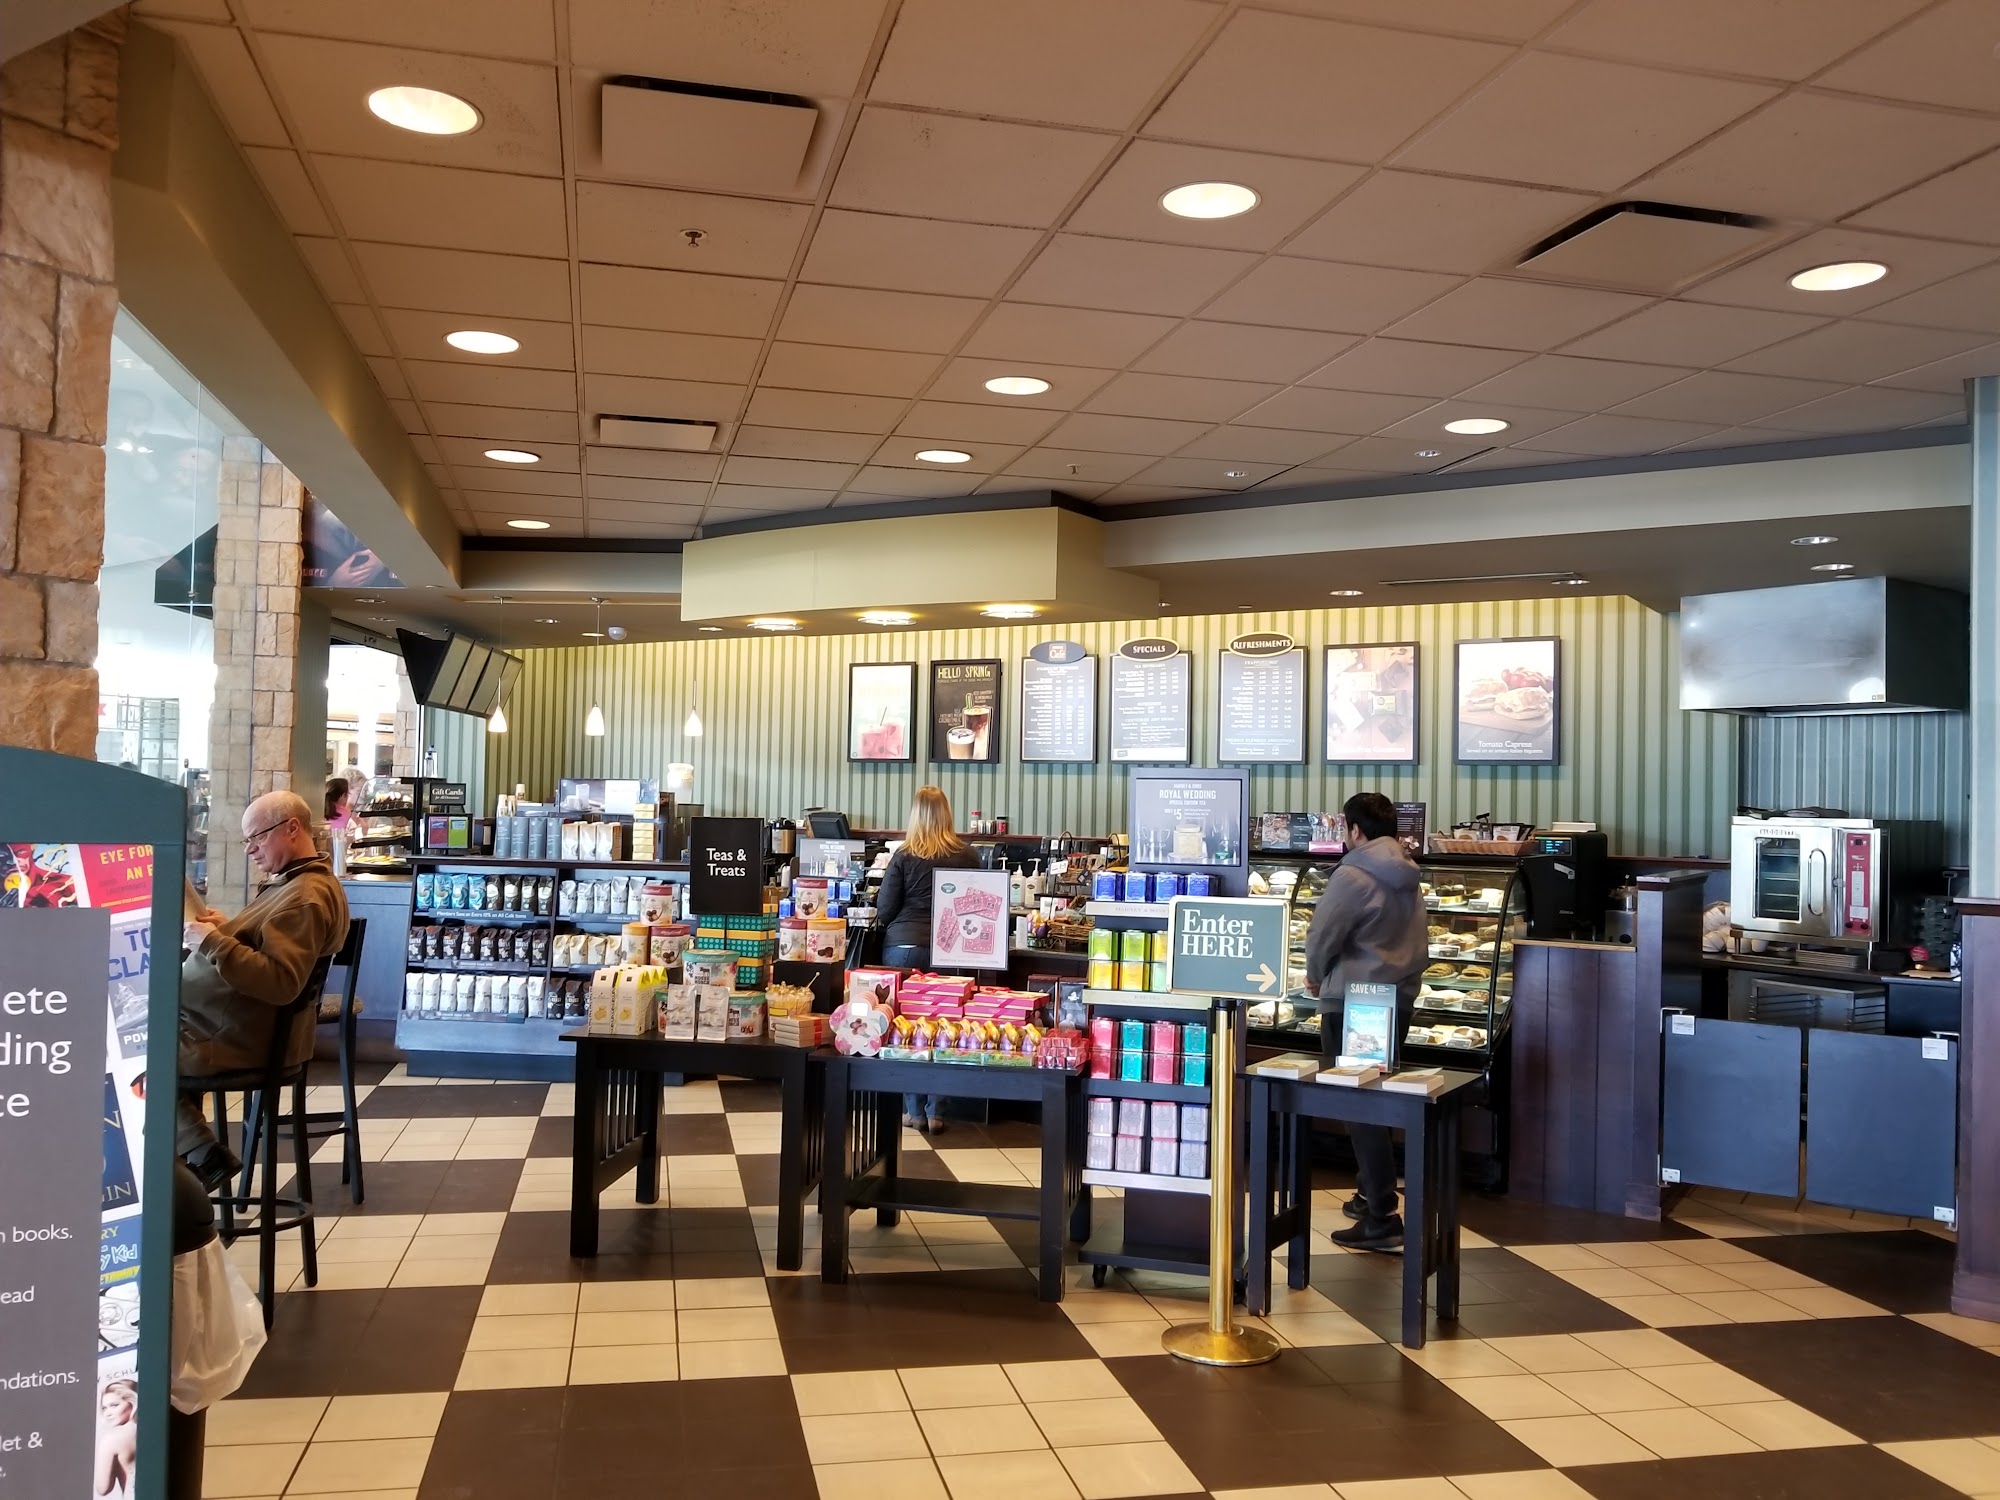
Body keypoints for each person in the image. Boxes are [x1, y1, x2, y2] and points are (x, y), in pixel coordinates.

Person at [177, 790, 351, 1192]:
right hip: (227, 1029)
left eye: (257, 837)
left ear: (292, 828)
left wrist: (212, 943)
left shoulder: (304, 897)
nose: (250, 849)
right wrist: (224, 931)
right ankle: (190, 1160)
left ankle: (199, 1156)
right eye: (246, 840)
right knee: (132, 1041)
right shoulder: (298, 884)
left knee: (129, 1052)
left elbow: (281, 982)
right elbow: (266, 948)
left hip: (234, 1040)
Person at [1304, 791, 1428, 1252]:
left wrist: (1315, 975)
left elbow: (1323, 934)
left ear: (1354, 829)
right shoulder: (1407, 871)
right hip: (1396, 998)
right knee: (1376, 1100)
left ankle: (1381, 1216)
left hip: (1356, 1004)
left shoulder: (1353, 873)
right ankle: (1367, 1195)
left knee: (1360, 1107)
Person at [873, 785, 980, 1133]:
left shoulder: (903, 855)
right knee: (944, 1027)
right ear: (947, 813)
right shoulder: (967, 855)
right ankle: (936, 1112)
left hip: (904, 947)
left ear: (915, 815)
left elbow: (885, 910)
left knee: (905, 1028)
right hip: (951, 949)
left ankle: (912, 1110)